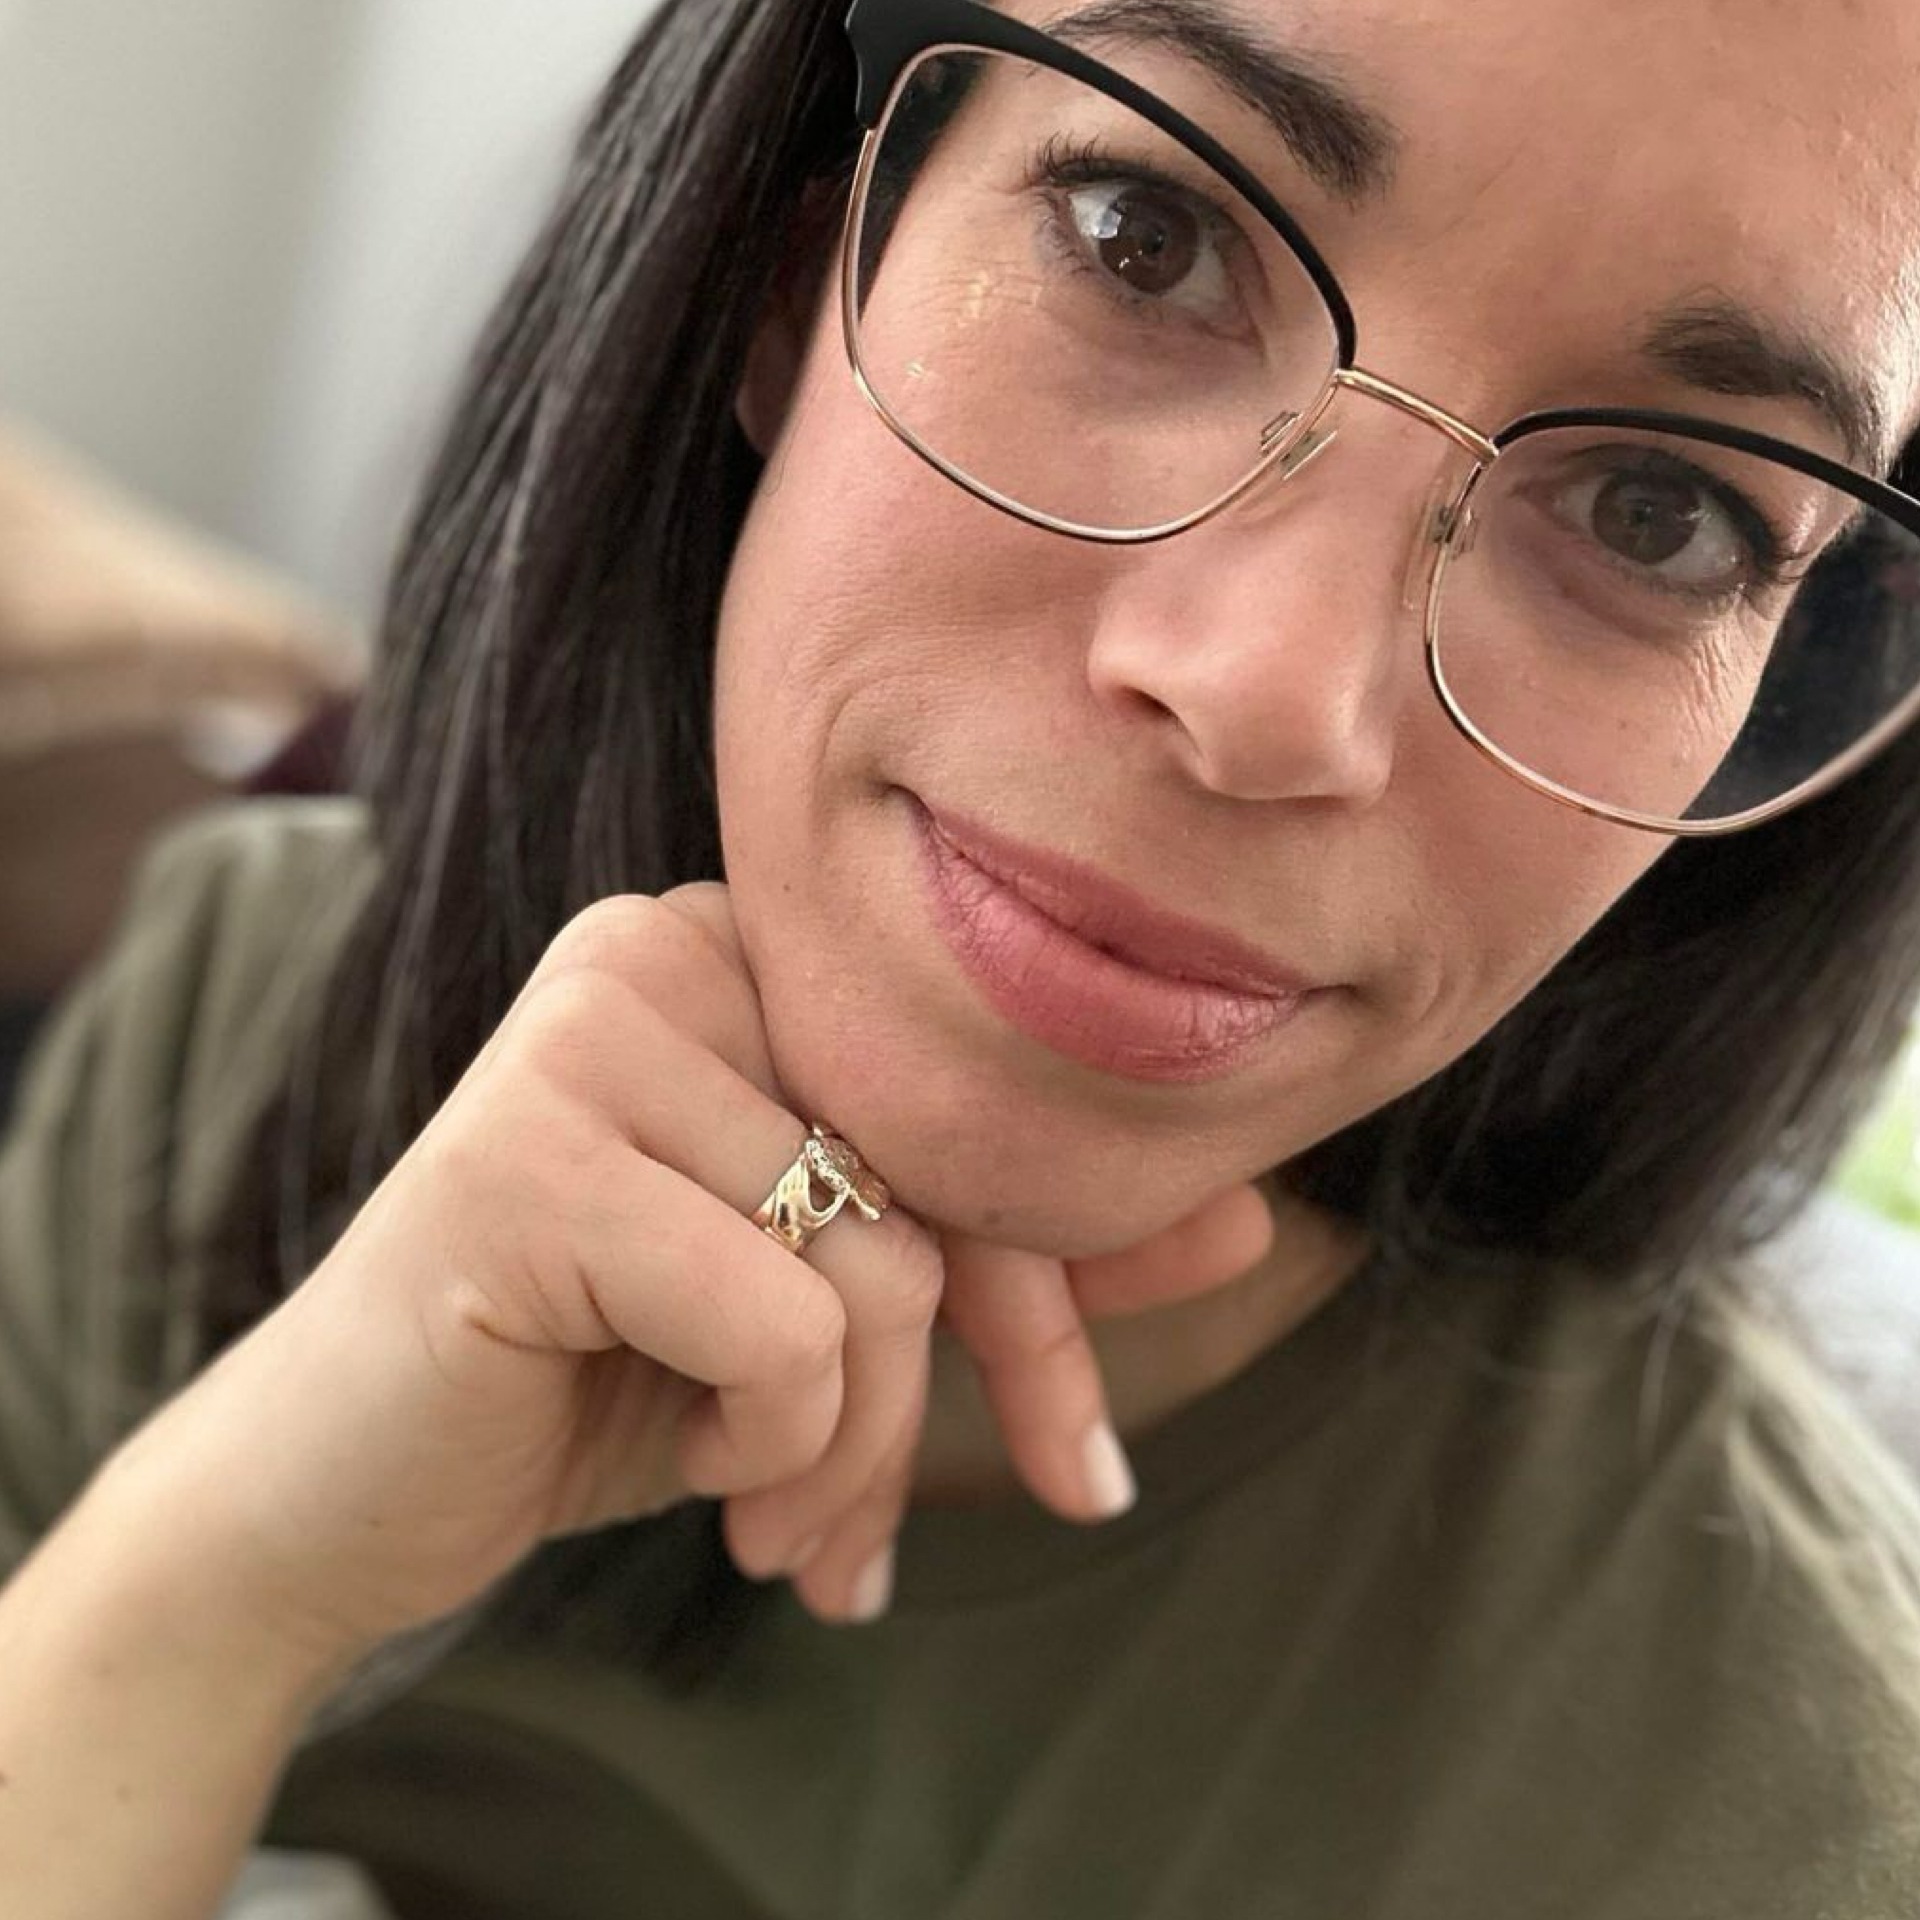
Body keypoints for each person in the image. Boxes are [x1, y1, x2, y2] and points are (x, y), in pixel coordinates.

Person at [3, 0, 1920, 1913]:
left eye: (1660, 516)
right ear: (790, 264)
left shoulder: (1770, 1795)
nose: (1268, 695)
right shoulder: (240, 1029)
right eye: (1146, 241)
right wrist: (213, 1580)